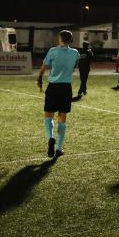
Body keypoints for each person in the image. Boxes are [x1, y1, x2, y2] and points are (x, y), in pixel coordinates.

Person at [37, 30, 80, 158]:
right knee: (62, 118)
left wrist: (39, 78)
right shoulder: (75, 53)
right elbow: (74, 67)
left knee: (48, 115)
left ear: (60, 38)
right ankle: (59, 148)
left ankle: (50, 138)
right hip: (66, 88)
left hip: (53, 87)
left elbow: (43, 67)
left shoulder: (53, 51)